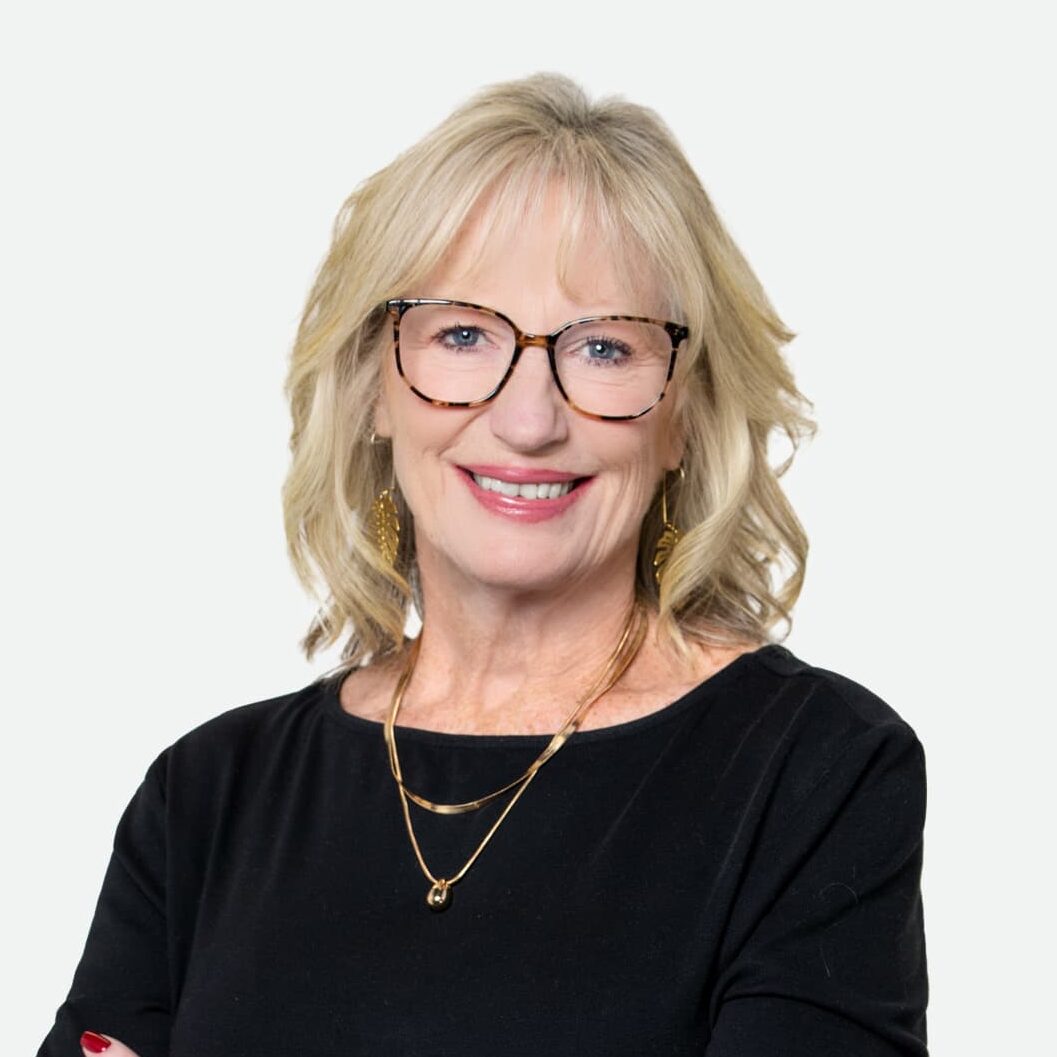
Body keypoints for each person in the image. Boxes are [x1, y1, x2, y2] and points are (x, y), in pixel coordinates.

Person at [40, 73, 928, 1057]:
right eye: (462, 334)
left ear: (684, 412)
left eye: (603, 349)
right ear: (373, 387)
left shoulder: (815, 770)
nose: (528, 418)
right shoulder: (206, 795)